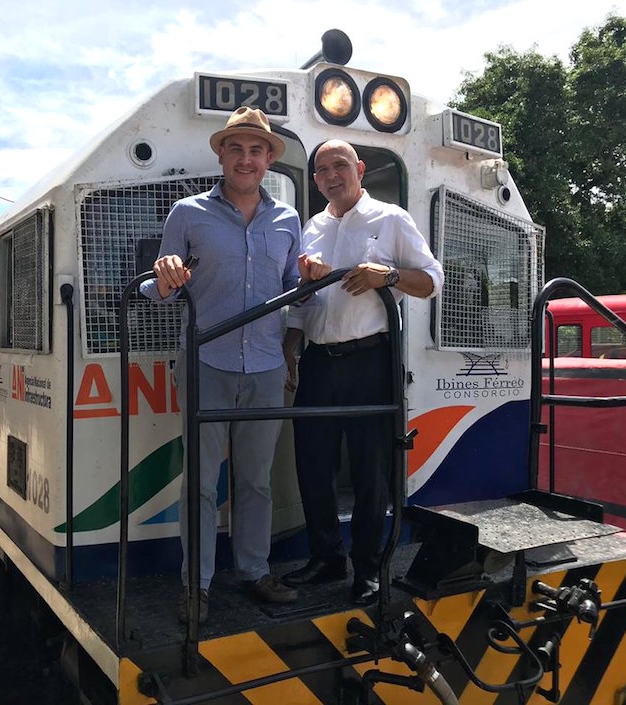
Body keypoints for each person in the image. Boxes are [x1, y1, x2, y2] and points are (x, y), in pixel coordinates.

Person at [141, 107, 302, 622]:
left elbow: (296, 296)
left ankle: (255, 572)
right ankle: (197, 586)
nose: (247, 158)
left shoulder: (287, 220)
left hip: (266, 367)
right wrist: (162, 277)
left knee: (256, 480)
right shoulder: (187, 213)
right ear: (222, 154)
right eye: (237, 148)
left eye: (257, 150)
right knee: (202, 481)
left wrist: (293, 348)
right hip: (206, 363)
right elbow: (158, 290)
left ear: (269, 159)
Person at [282, 140, 444, 605]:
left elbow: (433, 281)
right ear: (315, 181)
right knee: (312, 466)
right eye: (322, 170)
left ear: (360, 169)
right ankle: (326, 557)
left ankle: (368, 569)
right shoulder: (312, 227)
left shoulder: (391, 219)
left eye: (340, 165)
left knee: (371, 470)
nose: (331, 175)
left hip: (369, 359)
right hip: (317, 362)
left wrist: (387, 276)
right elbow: (304, 301)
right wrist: (292, 347)